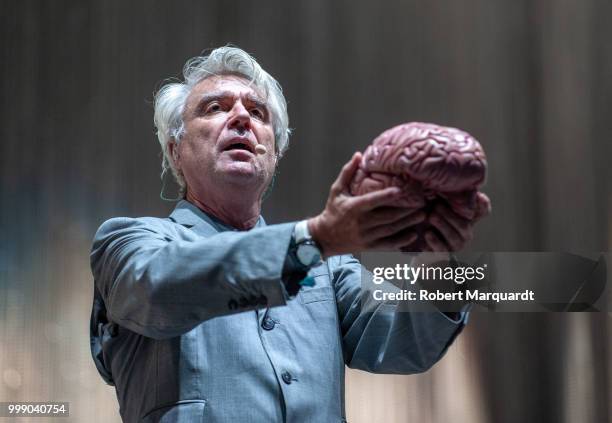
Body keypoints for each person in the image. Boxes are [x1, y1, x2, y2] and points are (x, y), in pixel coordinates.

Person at [90, 46, 476, 423]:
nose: (242, 117)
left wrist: (436, 260)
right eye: (215, 107)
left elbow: (404, 341)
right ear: (175, 150)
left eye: (258, 112)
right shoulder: (128, 243)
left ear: (274, 154)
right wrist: (315, 240)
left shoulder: (328, 268)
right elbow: (157, 288)